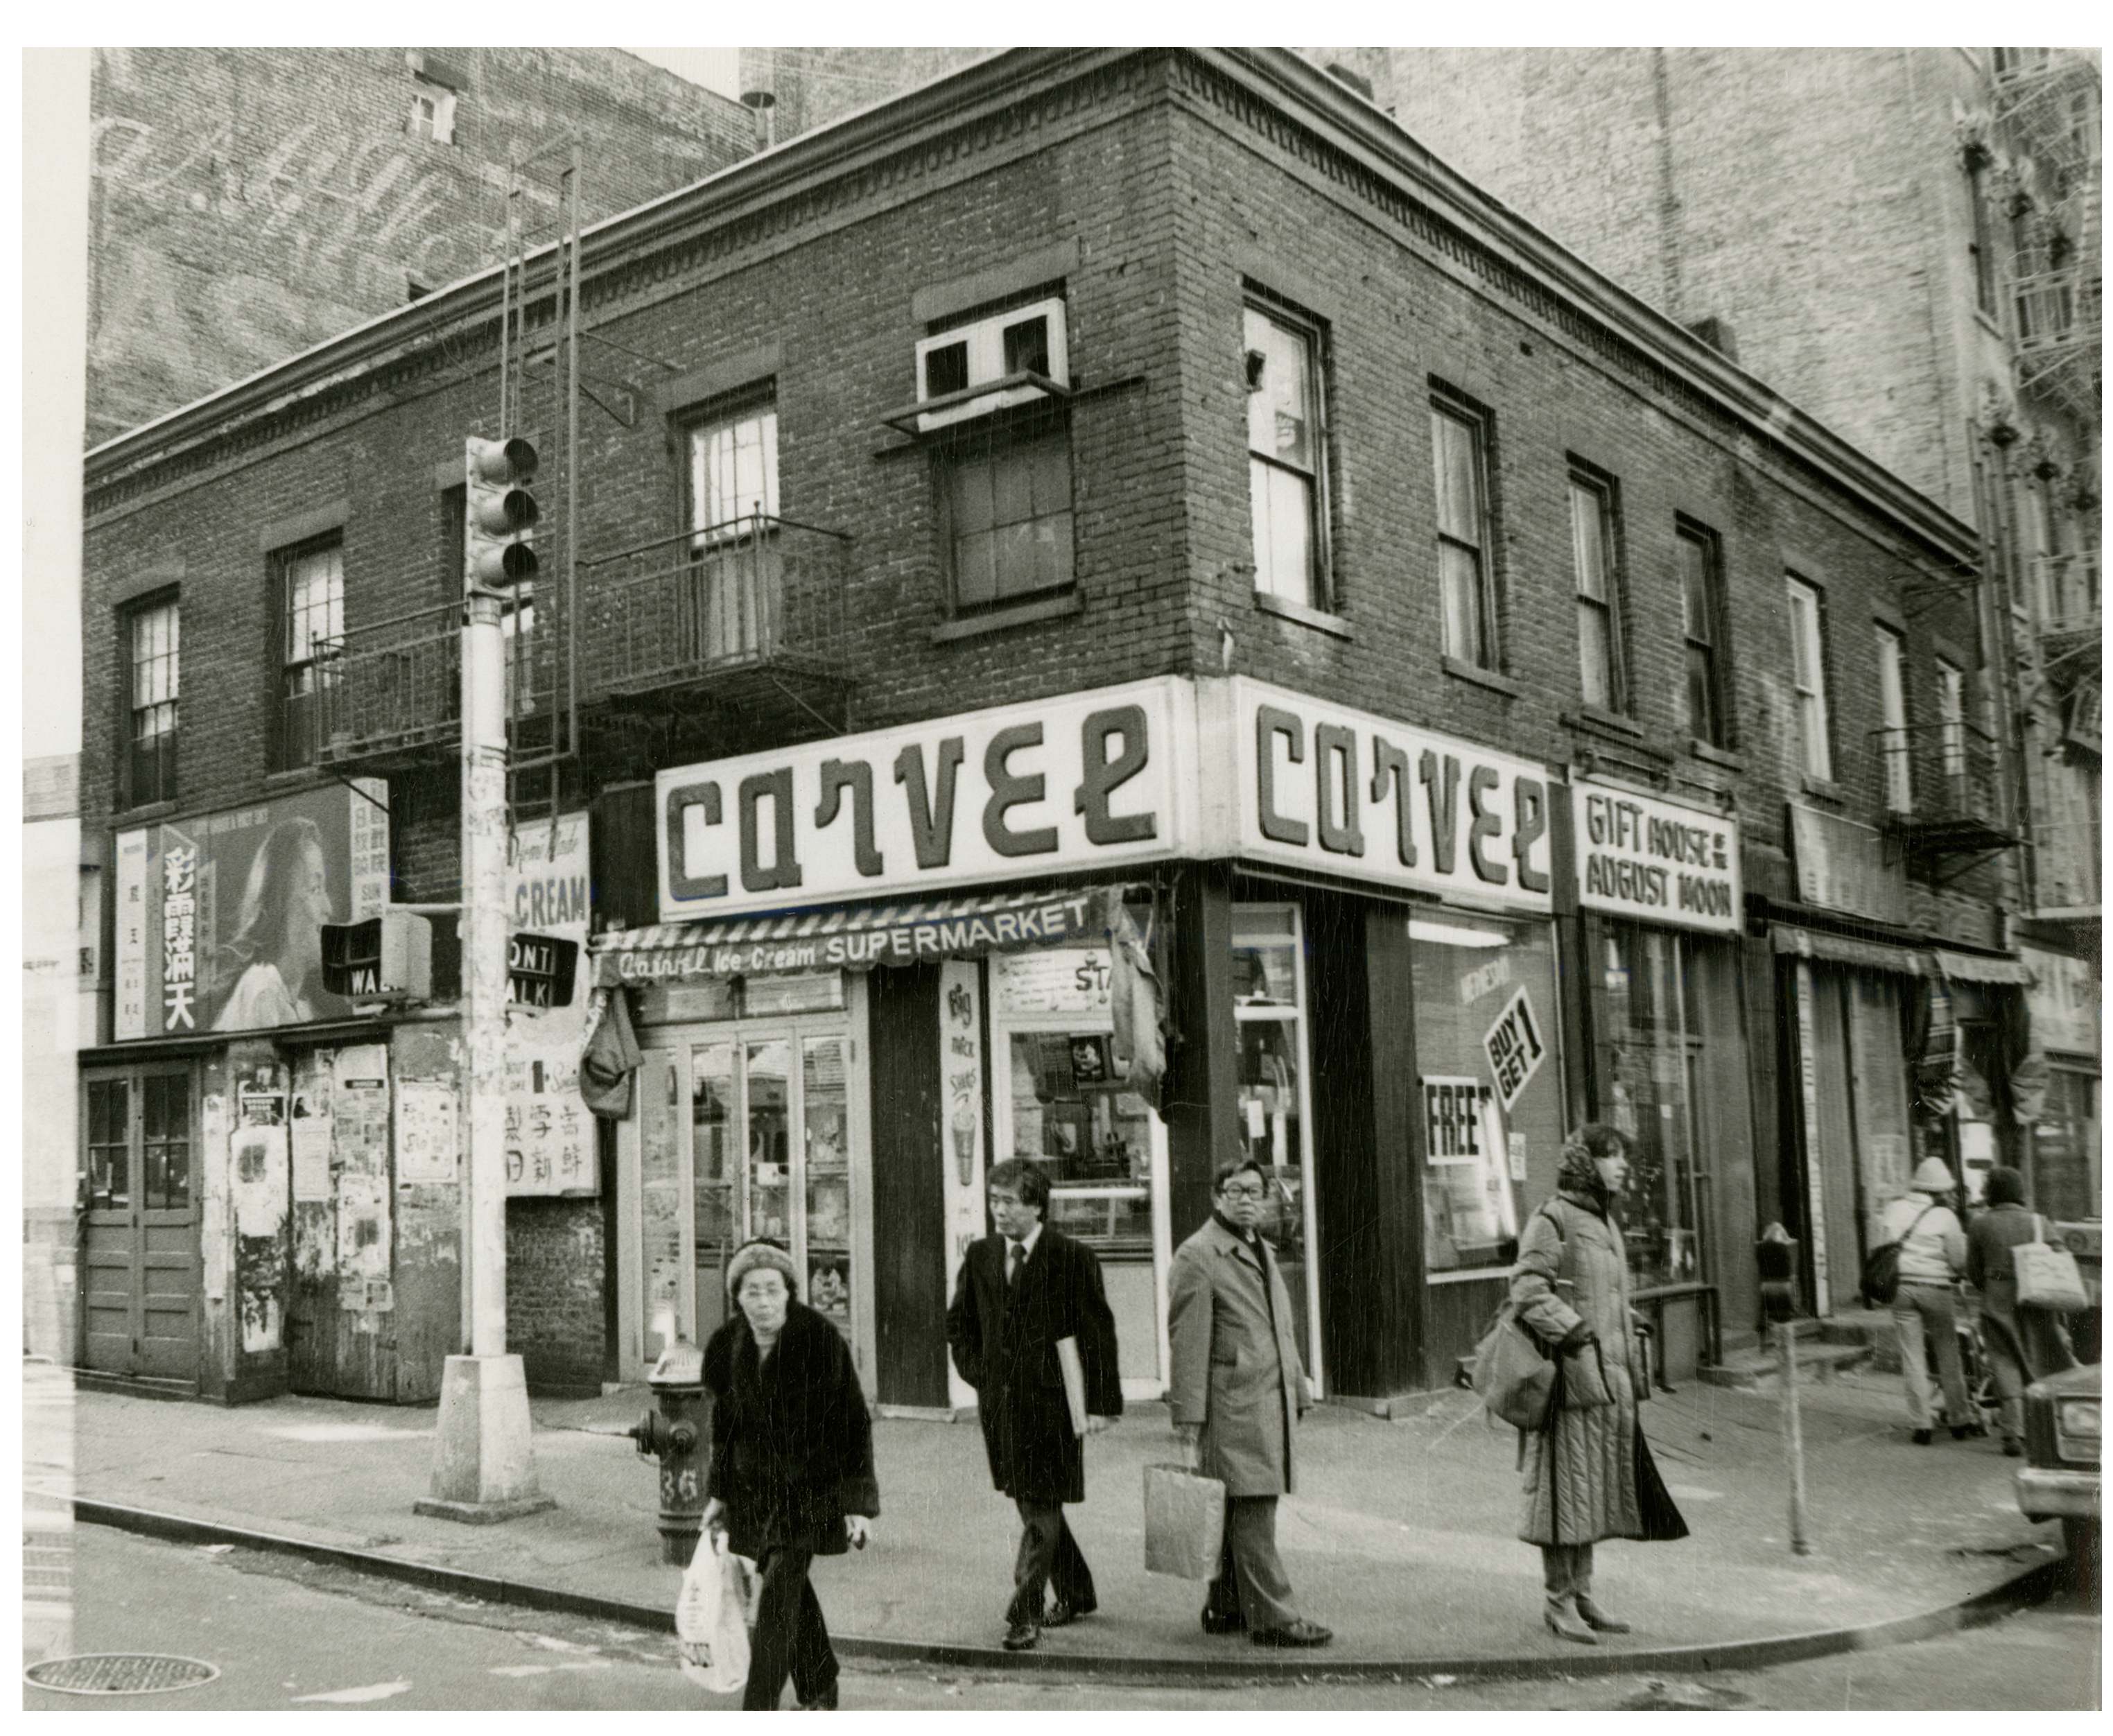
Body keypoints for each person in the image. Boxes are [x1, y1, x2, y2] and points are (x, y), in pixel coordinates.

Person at [1511, 1123, 1680, 1646]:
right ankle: (1557, 1603)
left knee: (1591, 1494)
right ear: (1587, 1162)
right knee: (1563, 1496)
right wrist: (1576, 1331)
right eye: (1612, 1156)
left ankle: (1581, 1596)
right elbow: (1526, 1289)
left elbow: (1593, 1290)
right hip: (1569, 1382)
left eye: (1623, 1156)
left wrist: (1625, 1320)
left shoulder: (1602, 1219)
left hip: (1607, 1381)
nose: (1623, 1164)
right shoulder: (1553, 1217)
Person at [946, 1158, 1123, 1653]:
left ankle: (1024, 1615)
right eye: (993, 1200)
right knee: (1032, 1503)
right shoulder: (980, 1256)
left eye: (1009, 1202)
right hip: (1001, 1407)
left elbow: (1097, 1334)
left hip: (1053, 1405)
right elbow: (959, 1325)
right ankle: (1078, 1592)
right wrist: (978, 1374)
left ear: (1036, 1205)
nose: (998, 1211)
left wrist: (1103, 1404)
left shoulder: (1072, 1257)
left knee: (1041, 1505)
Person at [699, 1240, 877, 1712]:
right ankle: (820, 1683)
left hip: (810, 1490)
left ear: (790, 1291)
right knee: (790, 1590)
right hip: (755, 1493)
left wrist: (858, 1503)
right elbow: (726, 1427)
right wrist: (719, 1494)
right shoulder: (728, 1344)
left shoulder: (819, 1339)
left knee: (776, 1601)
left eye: (772, 1290)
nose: (763, 1301)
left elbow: (853, 1422)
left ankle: (758, 1708)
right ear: (737, 1296)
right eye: (752, 1291)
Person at [1167, 1157, 1332, 1649]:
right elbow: (1187, 1341)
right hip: (1232, 1405)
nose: (1246, 1200)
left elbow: (1280, 1329)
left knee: (1238, 1509)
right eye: (1235, 1191)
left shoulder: (1258, 1247)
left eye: (1254, 1191)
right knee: (1254, 1510)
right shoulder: (1199, 1255)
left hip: (1264, 1400)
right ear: (1217, 1197)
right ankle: (1275, 1619)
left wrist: (1298, 1388)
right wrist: (1188, 1417)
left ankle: (1225, 1606)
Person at [1966, 1165, 2080, 1457]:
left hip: (1997, 1297)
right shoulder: (2039, 1222)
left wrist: (1990, 1285)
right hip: (2035, 1297)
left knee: (2004, 1361)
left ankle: (2012, 1432)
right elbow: (2061, 1257)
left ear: (1991, 1192)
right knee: (2037, 1357)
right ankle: (2041, 1430)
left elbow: (1973, 1271)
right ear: (2019, 1191)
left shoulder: (1980, 1224)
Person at [214, 817, 349, 1030]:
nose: (329, 908)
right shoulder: (263, 988)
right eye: (315, 889)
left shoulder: (301, 1007)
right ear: (280, 905)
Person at [1880, 1157, 1976, 1446]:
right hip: (1936, 1289)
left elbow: (1882, 1248)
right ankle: (1960, 1420)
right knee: (1948, 1355)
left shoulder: (1893, 1209)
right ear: (1938, 1190)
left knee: (1912, 1358)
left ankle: (1921, 1425)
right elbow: (1959, 1262)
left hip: (1902, 1289)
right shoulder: (1946, 1217)